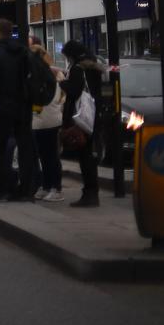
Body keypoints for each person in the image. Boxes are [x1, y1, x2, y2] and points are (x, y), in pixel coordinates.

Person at [0, 18, 36, 202]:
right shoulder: (23, 52)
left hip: (1, 109)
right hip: (22, 108)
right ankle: (26, 190)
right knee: (25, 148)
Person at [60, 40, 105, 208]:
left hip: (81, 118)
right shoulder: (93, 67)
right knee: (89, 155)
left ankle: (90, 193)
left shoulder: (78, 69)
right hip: (93, 116)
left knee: (85, 156)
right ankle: (91, 192)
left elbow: (74, 90)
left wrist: (61, 82)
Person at [28, 42, 65, 202]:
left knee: (49, 156)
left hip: (45, 118)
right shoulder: (54, 73)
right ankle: (48, 186)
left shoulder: (49, 74)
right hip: (46, 119)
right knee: (46, 155)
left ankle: (54, 188)